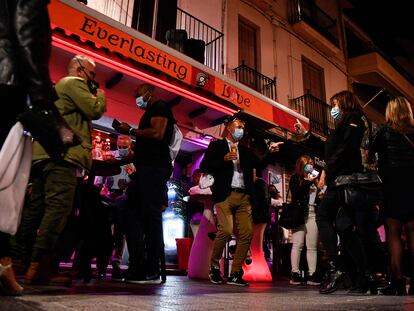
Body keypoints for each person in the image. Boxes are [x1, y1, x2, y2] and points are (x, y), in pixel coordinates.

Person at [10, 55, 106, 285]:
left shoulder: (59, 86)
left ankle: (16, 260)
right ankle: (40, 264)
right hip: (64, 155)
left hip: (45, 154)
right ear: (80, 70)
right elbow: (94, 110)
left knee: (36, 209)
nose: (94, 80)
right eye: (92, 74)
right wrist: (101, 96)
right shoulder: (73, 82)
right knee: (59, 209)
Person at [0, 0, 72, 296]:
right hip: (7, 85)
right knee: (5, 182)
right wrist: (43, 101)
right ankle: (4, 265)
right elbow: (28, 40)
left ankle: (5, 262)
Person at [295, 90, 374, 294]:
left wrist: (327, 170)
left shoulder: (354, 119)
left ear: (344, 102)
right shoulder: (343, 124)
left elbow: (347, 149)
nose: (333, 109)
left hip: (344, 180)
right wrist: (306, 135)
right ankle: (362, 276)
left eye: (335, 103)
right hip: (341, 180)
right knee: (344, 228)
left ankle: (338, 268)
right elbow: (328, 147)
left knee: (323, 217)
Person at [199, 117, 283, 286]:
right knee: (226, 229)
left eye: (243, 127)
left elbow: (259, 163)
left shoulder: (245, 151)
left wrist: (270, 151)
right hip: (225, 194)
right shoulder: (216, 146)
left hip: (244, 196)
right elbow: (205, 166)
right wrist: (223, 160)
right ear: (229, 128)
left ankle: (235, 273)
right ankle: (214, 267)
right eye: (238, 126)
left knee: (246, 234)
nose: (241, 130)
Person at [113, 83, 175, 284]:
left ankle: (151, 268)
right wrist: (118, 160)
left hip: (154, 169)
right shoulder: (150, 111)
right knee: (129, 211)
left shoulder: (159, 107)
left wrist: (130, 130)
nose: (137, 99)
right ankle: (137, 264)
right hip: (146, 168)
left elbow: (157, 134)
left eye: (139, 95)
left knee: (150, 215)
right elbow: (141, 149)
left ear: (150, 93)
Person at [370, 96, 414, 295]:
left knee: (393, 231)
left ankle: (397, 281)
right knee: (413, 230)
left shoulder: (383, 130)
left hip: (392, 184)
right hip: (413, 183)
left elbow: (370, 155)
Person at [95, 135, 135, 280]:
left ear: (130, 146)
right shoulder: (111, 156)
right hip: (109, 195)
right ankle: (102, 266)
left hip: (124, 197)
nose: (122, 150)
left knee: (120, 233)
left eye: (125, 147)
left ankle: (116, 264)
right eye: (120, 147)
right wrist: (98, 189)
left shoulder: (132, 160)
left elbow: (134, 179)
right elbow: (100, 177)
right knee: (104, 232)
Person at [288, 155, 320, 286]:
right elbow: (297, 194)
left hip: (313, 213)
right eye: (308, 163)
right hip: (299, 214)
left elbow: (317, 197)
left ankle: (312, 274)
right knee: (298, 244)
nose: (311, 165)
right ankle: (295, 273)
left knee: (312, 246)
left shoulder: (315, 181)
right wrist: (308, 181)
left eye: (312, 163)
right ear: (301, 165)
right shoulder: (295, 178)